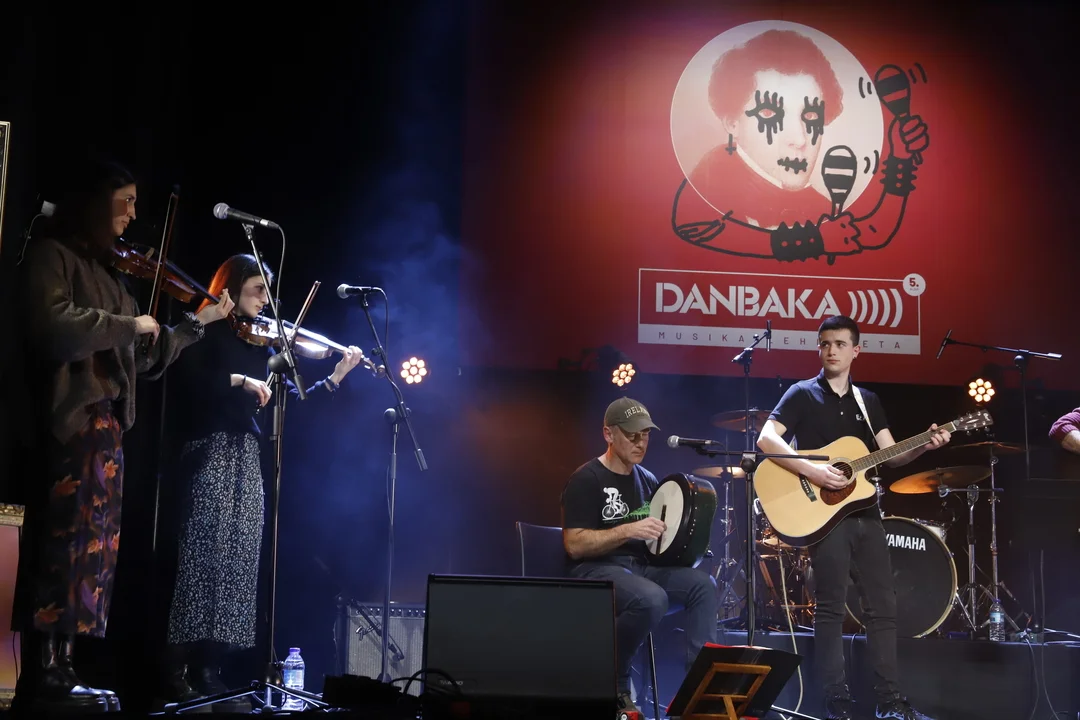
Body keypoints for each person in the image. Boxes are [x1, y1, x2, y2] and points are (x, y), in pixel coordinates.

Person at [11, 158, 233, 713]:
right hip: (69, 422)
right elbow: (53, 326)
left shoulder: (113, 275)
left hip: (107, 428)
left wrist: (194, 325)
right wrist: (127, 325)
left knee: (93, 554)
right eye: (126, 200)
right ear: (96, 200)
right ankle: (42, 675)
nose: (134, 214)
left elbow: (145, 357)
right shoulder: (51, 255)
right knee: (62, 545)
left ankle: (65, 666)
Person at [157, 254, 368, 709]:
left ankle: (209, 668)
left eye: (267, 294)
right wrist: (238, 380)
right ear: (231, 287)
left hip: (246, 457)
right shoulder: (205, 330)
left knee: (238, 563)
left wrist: (336, 375)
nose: (264, 302)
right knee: (203, 559)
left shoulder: (260, 346)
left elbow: (294, 405)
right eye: (257, 290)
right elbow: (188, 382)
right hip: (209, 450)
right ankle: (174, 668)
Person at [756, 315, 950, 720]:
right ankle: (837, 703)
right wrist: (813, 471)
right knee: (830, 608)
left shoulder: (868, 401)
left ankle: (890, 703)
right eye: (825, 343)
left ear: (856, 350)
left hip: (866, 513)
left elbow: (892, 455)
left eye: (840, 344)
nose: (831, 350)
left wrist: (924, 446)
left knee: (883, 606)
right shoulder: (801, 393)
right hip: (825, 516)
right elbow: (766, 438)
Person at [561, 397, 718, 717]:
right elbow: (574, 545)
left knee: (703, 585)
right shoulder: (586, 478)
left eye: (645, 434)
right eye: (632, 435)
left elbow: (656, 544)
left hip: (641, 570)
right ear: (608, 434)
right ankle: (616, 684)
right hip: (595, 570)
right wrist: (628, 530)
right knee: (651, 598)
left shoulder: (647, 479)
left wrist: (682, 542)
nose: (640, 442)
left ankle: (699, 693)